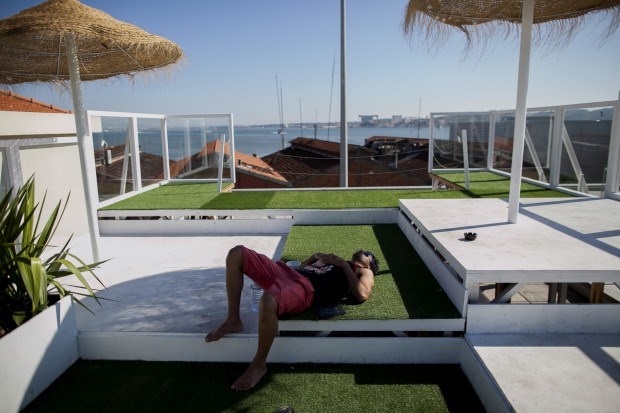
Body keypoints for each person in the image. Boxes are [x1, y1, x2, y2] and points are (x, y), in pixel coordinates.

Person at [205, 245, 379, 391]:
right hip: (288, 272)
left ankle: (259, 364)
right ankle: (233, 319)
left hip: (306, 288)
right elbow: (302, 267)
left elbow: (362, 294)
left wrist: (343, 264)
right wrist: (315, 257)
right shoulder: (335, 260)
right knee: (236, 253)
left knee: (268, 300)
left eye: (366, 253)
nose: (361, 250)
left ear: (370, 263)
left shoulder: (364, 271)